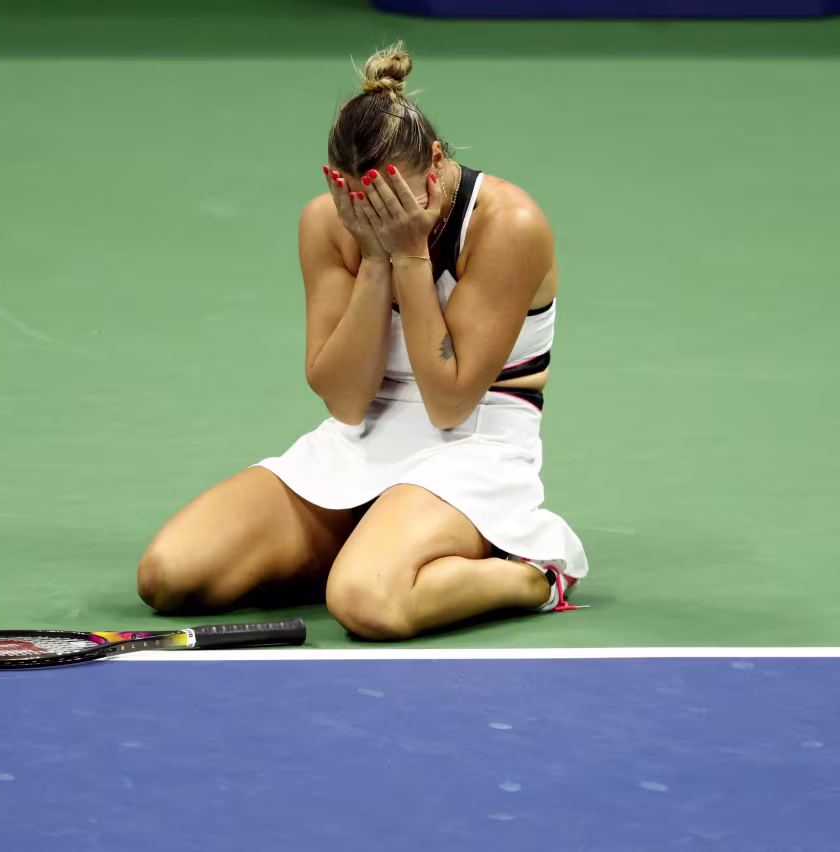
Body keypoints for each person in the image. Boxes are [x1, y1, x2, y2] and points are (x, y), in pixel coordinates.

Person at [136, 42, 587, 640]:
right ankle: (376, 539)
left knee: (366, 601)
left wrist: (408, 255)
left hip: (474, 447)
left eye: (393, 196)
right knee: (169, 575)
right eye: (360, 198)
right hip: (361, 441)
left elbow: (450, 403)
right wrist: (375, 260)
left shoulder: (507, 224)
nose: (375, 211)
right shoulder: (328, 222)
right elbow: (345, 402)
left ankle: (534, 571)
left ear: (434, 159)